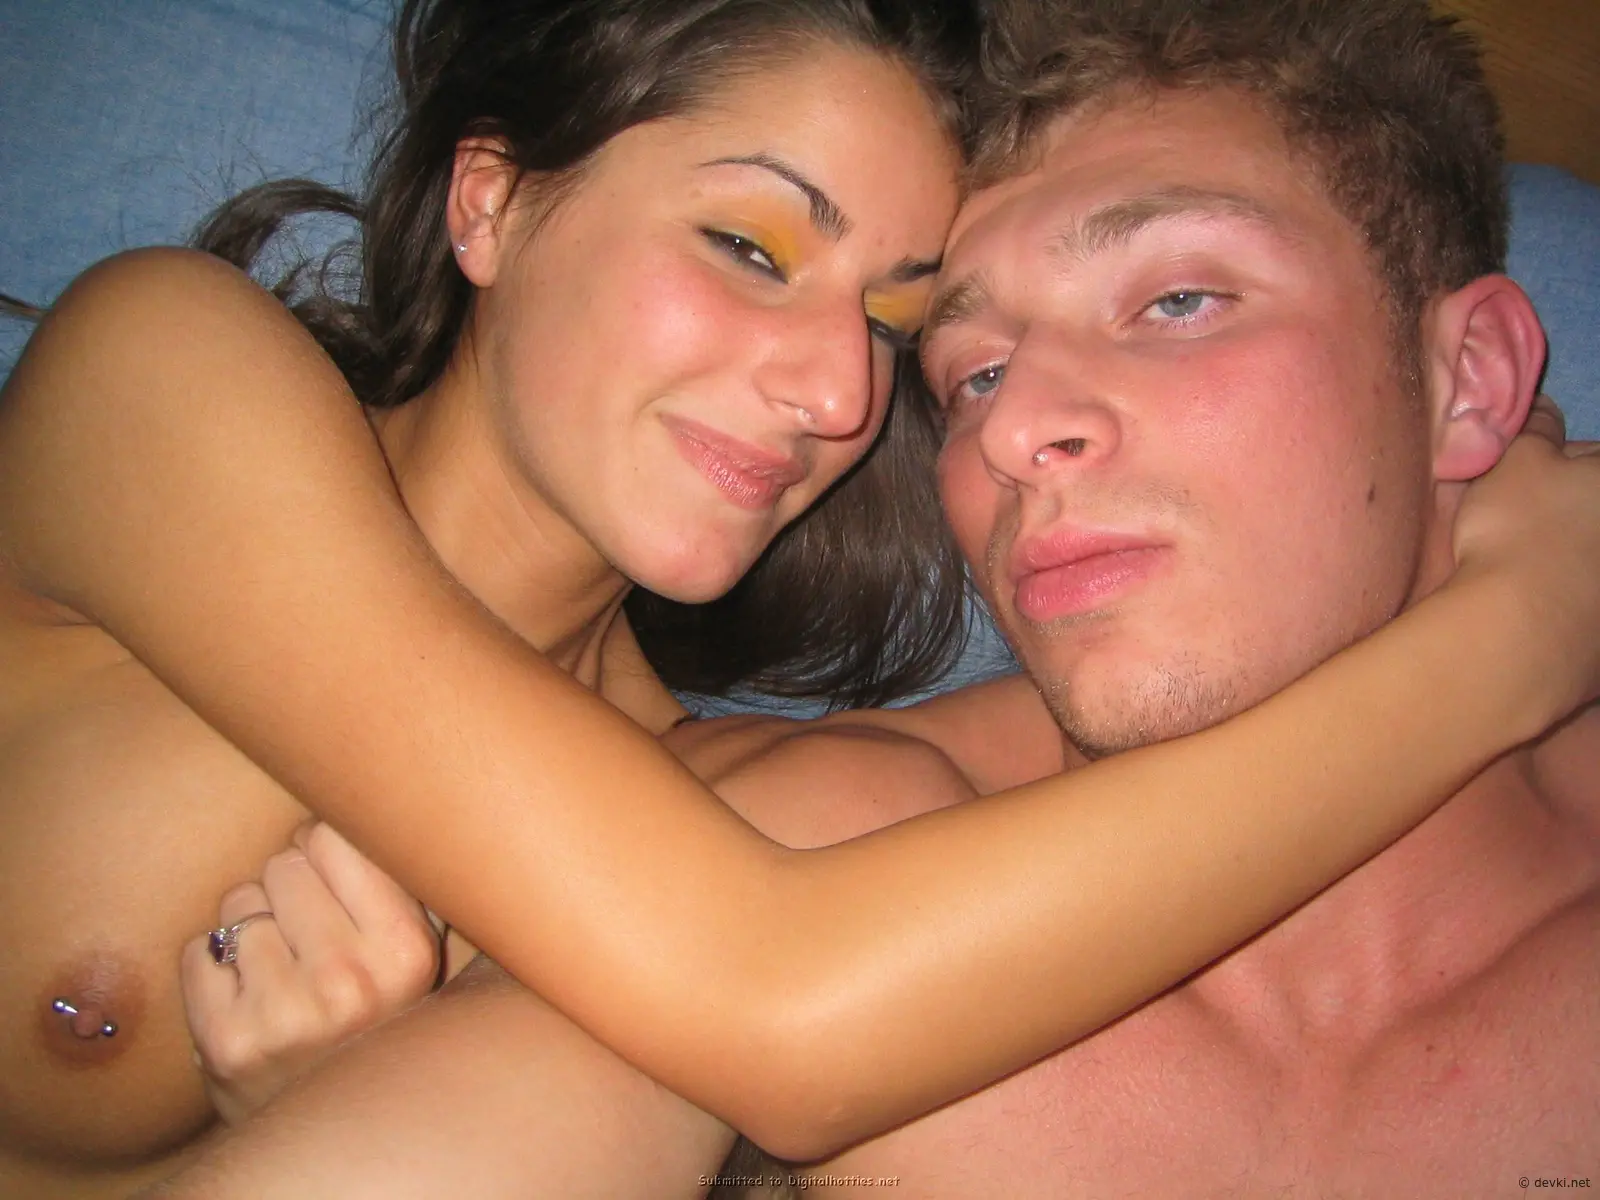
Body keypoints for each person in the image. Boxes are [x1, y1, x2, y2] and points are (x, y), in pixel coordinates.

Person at [3, 0, 1597, 1195]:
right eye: (752, 247)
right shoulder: (167, 372)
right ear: (492, 199)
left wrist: (302, 1112)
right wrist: (1509, 638)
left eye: (898, 335)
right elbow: (778, 996)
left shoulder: (680, 788)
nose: (843, 393)